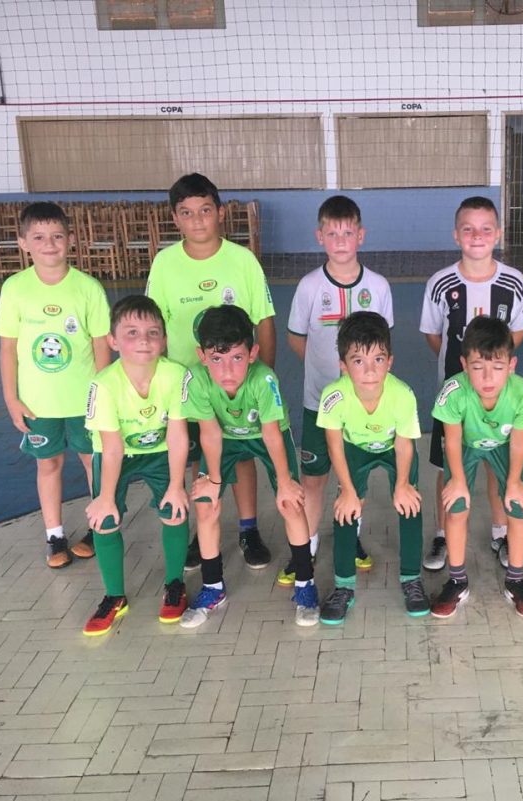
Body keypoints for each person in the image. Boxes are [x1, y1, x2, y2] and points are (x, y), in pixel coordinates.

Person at [146, 173, 277, 571]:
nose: (197, 220)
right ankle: (200, 531)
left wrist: (262, 377)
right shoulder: (165, 264)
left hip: (237, 382)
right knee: (192, 455)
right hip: (187, 385)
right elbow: (156, 326)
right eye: (186, 213)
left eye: (205, 210)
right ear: (175, 219)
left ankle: (248, 529)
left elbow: (264, 320)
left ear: (220, 213)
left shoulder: (243, 260)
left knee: (240, 453)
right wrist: (157, 382)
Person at [183, 306, 319, 628]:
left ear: (253, 353)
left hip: (265, 436)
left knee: (290, 502)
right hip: (223, 437)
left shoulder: (264, 379)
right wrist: (214, 481)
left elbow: (271, 433)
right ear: (202, 356)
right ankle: (213, 586)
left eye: (237, 357)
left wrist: (284, 481)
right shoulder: (196, 379)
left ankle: (305, 584)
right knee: (205, 504)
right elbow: (209, 432)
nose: (227, 370)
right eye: (217, 359)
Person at [0, 202, 111, 568]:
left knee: (94, 461)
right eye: (39, 237)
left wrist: (102, 395)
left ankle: (98, 526)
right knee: (48, 464)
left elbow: (101, 345)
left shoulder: (88, 288)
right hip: (38, 403)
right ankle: (54, 536)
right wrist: (11, 398)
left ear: (71, 240)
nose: (49, 244)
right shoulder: (15, 289)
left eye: (57, 236)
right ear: (23, 243)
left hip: (84, 400)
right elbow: (8, 348)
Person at [419, 197, 523, 572]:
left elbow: (518, 333)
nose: (477, 235)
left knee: (496, 464)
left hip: (498, 396)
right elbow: (434, 335)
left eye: (486, 229)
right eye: (468, 229)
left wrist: (492, 372)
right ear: (456, 235)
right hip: (455, 399)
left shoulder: (513, 281)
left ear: (498, 233)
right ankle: (442, 533)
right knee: (448, 465)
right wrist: (461, 372)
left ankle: (501, 531)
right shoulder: (440, 283)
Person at [284, 195, 392, 584]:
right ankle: (307, 547)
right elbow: (297, 338)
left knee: (354, 479)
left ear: (361, 235)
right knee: (313, 478)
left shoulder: (378, 286)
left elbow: (383, 343)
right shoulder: (309, 286)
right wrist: (325, 372)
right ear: (320, 237)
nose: (341, 241)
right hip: (318, 402)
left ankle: (351, 539)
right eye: (333, 234)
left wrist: (360, 381)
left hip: (363, 406)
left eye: (348, 233)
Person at [82, 296, 191, 635]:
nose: (143, 340)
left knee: (175, 510)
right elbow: (112, 448)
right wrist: (105, 497)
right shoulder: (103, 385)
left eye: (152, 332)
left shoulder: (176, 374)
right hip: (117, 454)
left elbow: (177, 435)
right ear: (112, 341)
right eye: (131, 332)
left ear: (164, 340)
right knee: (105, 519)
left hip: (161, 451)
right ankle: (114, 596)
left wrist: (176, 485)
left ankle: (175, 585)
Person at [315, 312, 428, 624]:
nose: (369, 370)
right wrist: (348, 491)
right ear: (343, 364)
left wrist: (402, 485)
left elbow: (404, 444)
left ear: (389, 362)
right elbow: (335, 445)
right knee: (346, 509)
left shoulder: (402, 394)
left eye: (378, 359)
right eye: (358, 360)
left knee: (410, 504)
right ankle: (343, 586)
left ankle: (411, 579)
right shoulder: (333, 396)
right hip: (354, 448)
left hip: (394, 448)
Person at [429, 316, 523, 620]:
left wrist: (515, 483)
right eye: (478, 367)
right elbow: (452, 441)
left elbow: (519, 443)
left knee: (518, 505)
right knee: (457, 505)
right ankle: (457, 580)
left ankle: (516, 580)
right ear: (465, 365)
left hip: (504, 445)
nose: (488, 377)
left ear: (512, 365)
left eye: (498, 367)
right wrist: (457, 480)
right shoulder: (453, 391)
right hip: (465, 445)